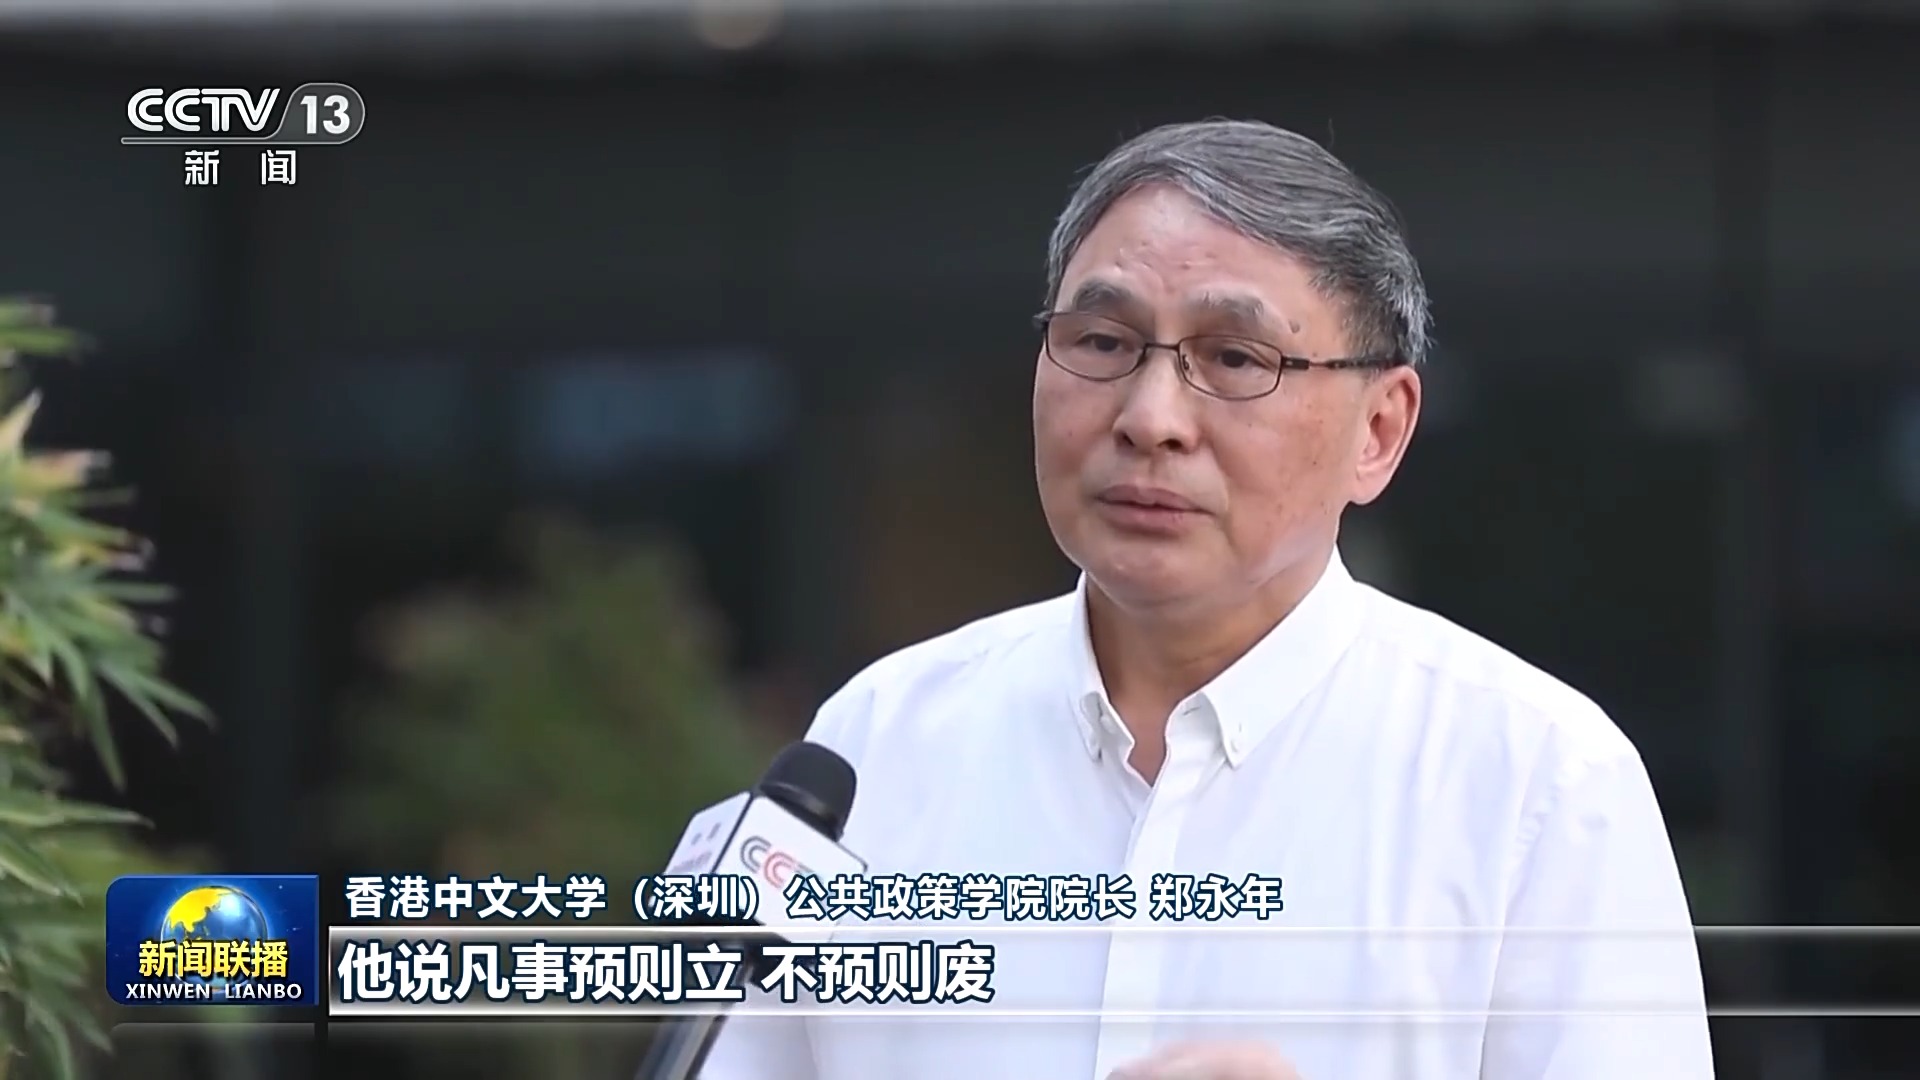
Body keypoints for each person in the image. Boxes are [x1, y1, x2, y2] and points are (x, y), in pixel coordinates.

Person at [699, 119, 1713, 1080]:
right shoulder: (874, 747)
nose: (1151, 419)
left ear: (1379, 430)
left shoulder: (1538, 785)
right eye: (1103, 342)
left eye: (1235, 358)